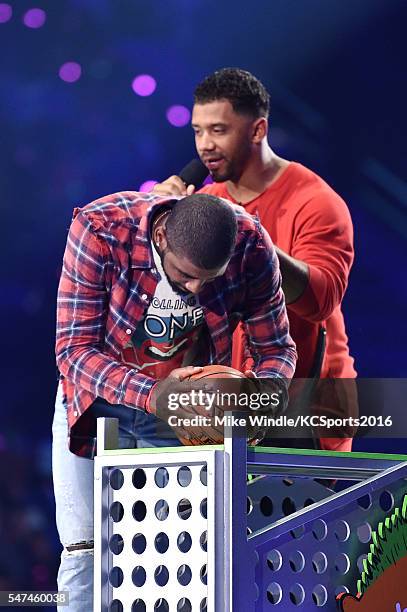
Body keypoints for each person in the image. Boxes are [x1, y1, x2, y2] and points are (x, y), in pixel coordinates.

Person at [53, 191, 296, 610]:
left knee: (178, 553)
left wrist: (260, 398)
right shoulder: (101, 229)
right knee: (85, 551)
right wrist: (152, 394)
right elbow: (73, 350)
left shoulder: (252, 246)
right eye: (186, 276)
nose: (197, 288)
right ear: (162, 236)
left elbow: (277, 349)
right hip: (96, 403)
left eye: (210, 278)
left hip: (186, 417)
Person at [152, 67, 358, 452]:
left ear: (258, 130)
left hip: (306, 409)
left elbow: (321, 300)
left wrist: (247, 236)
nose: (204, 145)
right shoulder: (204, 206)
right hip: (230, 405)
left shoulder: (316, 202)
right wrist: (160, 230)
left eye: (218, 130)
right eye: (197, 131)